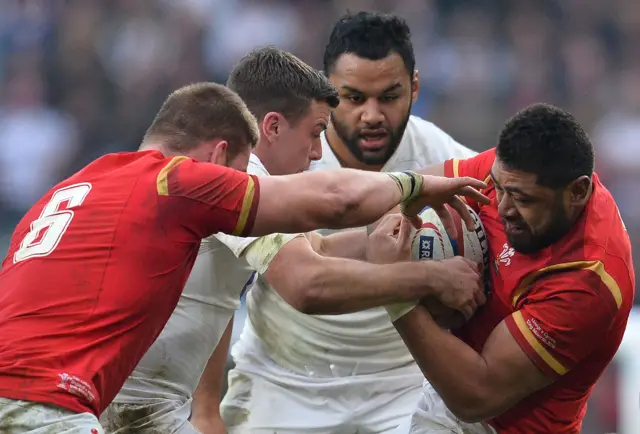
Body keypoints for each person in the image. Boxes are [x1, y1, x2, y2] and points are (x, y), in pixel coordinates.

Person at [0, 80, 489, 433]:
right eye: (240, 173)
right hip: (41, 403)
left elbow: (307, 248)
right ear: (219, 158)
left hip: (85, 399)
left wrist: (377, 241)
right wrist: (416, 187)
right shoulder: (178, 179)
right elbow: (333, 207)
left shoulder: (74, 188)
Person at [219, 12, 479, 434]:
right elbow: (244, 282)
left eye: (389, 97)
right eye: (354, 98)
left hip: (405, 385)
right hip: (285, 380)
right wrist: (430, 277)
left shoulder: (448, 158)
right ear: (328, 91)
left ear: (414, 87)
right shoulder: (277, 158)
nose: (372, 115)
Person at [384, 103, 635, 434]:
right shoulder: (514, 171)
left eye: (523, 200)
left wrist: (397, 289)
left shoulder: (588, 280)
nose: (501, 207)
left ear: (578, 191)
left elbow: (476, 396)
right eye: (499, 188)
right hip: (444, 395)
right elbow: (404, 194)